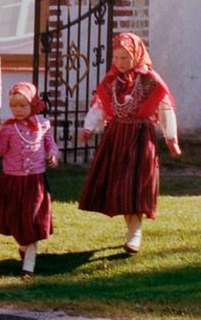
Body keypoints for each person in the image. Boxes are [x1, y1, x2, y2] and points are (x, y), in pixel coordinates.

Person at [77, 30, 181, 254]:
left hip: (140, 138)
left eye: (125, 58)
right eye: (116, 58)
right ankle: (131, 228)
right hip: (116, 137)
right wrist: (89, 128)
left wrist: (171, 137)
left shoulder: (149, 80)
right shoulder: (111, 81)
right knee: (121, 185)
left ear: (137, 54)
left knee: (137, 183)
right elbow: (100, 107)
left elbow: (164, 109)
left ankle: (135, 232)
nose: (120, 63)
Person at [0, 80, 60, 278]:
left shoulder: (42, 125)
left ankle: (29, 263)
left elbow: (50, 144)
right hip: (13, 180)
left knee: (32, 217)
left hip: (34, 181)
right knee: (16, 218)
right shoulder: (9, 128)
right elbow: (0, 150)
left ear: (33, 104)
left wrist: (52, 154)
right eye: (13, 106)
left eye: (22, 106)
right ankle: (22, 243)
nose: (17, 110)